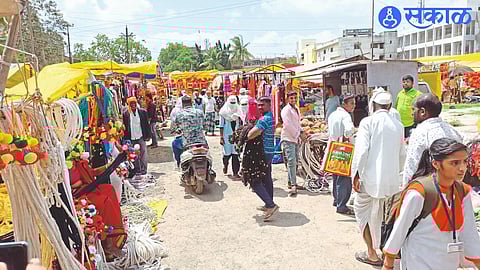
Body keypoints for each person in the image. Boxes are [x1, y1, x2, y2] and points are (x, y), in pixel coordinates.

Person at [383, 138, 480, 270]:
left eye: (464, 162)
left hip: (448, 264)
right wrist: (388, 264)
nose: (462, 168)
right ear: (436, 163)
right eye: (454, 163)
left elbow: (470, 233)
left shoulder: (464, 192)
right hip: (417, 263)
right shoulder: (419, 193)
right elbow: (400, 230)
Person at [350, 91, 405, 266]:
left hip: (369, 180)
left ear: (373, 105)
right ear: (390, 106)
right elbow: (402, 154)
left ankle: (372, 253)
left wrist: (356, 175)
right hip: (391, 181)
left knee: (362, 213)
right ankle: (386, 251)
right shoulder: (398, 125)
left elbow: (362, 152)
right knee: (383, 216)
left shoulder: (368, 122)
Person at [402, 93, 463, 187]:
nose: (412, 113)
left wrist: (406, 189)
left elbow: (412, 164)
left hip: (429, 189)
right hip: (452, 187)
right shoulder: (453, 130)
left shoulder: (421, 133)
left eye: (413, 109)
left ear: (422, 111)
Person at [248, 96, 278, 220]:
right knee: (266, 178)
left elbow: (250, 135)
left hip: (264, 153)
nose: (260, 107)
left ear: (269, 105)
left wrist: (245, 135)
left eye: (263, 105)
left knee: (254, 180)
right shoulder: (271, 117)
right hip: (270, 151)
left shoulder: (264, 119)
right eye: (259, 105)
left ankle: (271, 205)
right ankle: (268, 203)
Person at [327, 95, 356, 215]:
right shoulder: (345, 116)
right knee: (344, 177)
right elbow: (349, 130)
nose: (354, 106)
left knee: (336, 175)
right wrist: (352, 132)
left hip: (333, 146)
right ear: (344, 104)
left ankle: (336, 199)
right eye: (352, 103)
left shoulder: (333, 115)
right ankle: (342, 205)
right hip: (344, 148)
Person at [281, 91, 303, 195]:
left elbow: (297, 123)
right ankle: (293, 184)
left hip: (295, 138)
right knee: (291, 161)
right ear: (287, 99)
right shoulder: (286, 110)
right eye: (291, 98)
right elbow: (288, 124)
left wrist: (301, 131)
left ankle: (291, 182)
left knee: (295, 161)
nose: (293, 100)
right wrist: (298, 133)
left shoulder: (296, 108)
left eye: (295, 98)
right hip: (288, 138)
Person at [122, 96, 151, 176]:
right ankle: (137, 169)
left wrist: (148, 135)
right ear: (128, 105)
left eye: (134, 103)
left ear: (136, 103)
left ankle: (144, 169)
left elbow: (146, 124)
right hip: (131, 137)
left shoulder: (142, 112)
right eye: (131, 104)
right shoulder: (126, 114)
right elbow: (125, 127)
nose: (133, 105)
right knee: (133, 154)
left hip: (141, 136)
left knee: (143, 153)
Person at [219, 96, 242, 178]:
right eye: (231, 103)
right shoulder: (223, 112)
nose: (232, 105)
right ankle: (225, 165)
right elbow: (221, 125)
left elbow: (241, 122)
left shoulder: (239, 111)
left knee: (236, 154)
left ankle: (235, 172)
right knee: (227, 154)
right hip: (226, 135)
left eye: (234, 103)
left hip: (236, 135)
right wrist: (221, 137)